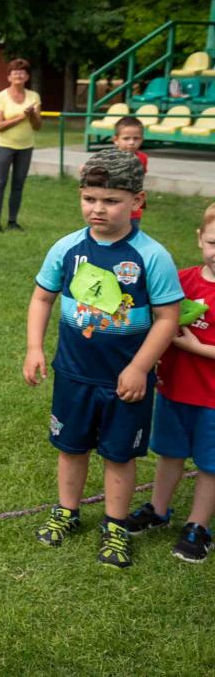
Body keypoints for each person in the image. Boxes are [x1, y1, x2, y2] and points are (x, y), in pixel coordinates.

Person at [23, 149, 182, 569]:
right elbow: (42, 298)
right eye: (89, 198)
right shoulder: (67, 248)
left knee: (119, 454)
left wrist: (139, 367)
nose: (98, 208)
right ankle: (67, 511)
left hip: (125, 383)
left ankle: (115, 525)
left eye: (111, 200)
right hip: (74, 375)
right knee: (70, 447)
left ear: (137, 201)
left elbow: (168, 319)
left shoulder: (152, 256)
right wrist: (35, 347)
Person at [125, 202, 215, 562]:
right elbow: (159, 321)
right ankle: (158, 509)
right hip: (174, 390)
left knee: (210, 465)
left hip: (212, 400)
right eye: (213, 242)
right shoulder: (182, 280)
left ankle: (198, 525)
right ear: (200, 238)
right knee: (169, 453)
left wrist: (196, 348)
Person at [0, 57, 42, 232]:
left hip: (25, 146)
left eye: (22, 73)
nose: (18, 76)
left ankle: (13, 221)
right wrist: (22, 116)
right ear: (9, 77)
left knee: (18, 185)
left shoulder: (34, 97)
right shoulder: (1, 97)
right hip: (3, 145)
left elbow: (38, 126)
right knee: (0, 183)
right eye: (15, 73)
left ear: (27, 77)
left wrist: (32, 115)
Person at [112, 115, 148, 220]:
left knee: (132, 229)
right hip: (112, 207)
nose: (131, 142)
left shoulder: (143, 158)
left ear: (142, 139)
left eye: (136, 138)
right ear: (116, 140)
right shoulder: (110, 158)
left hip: (133, 210)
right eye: (126, 138)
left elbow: (140, 180)